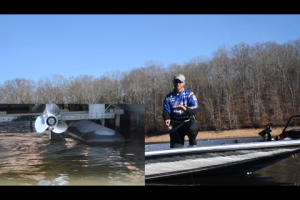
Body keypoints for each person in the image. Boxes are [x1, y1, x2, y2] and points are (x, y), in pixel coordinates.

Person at [162, 74, 199, 148]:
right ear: (173, 82)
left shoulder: (189, 94)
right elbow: (166, 110)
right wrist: (167, 118)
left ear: (184, 83)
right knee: (175, 149)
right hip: (175, 124)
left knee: (192, 128)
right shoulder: (168, 97)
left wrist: (186, 109)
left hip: (188, 122)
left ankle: (192, 145)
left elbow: (196, 109)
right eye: (176, 81)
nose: (178, 84)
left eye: (180, 82)